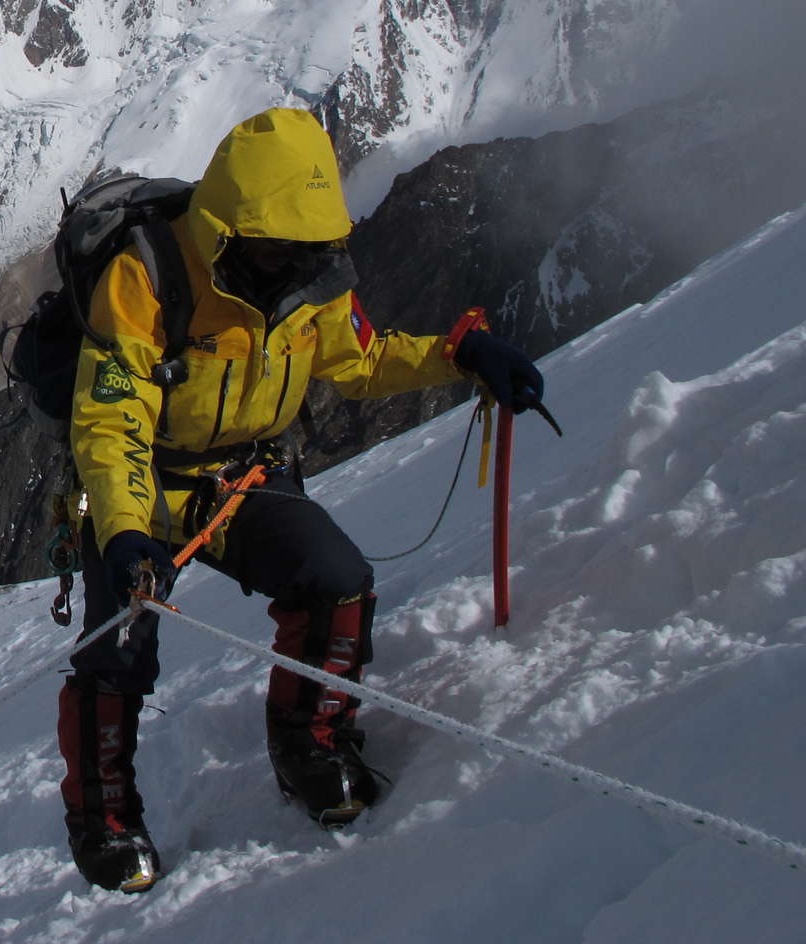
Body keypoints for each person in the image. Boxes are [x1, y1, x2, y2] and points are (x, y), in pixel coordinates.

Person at [58, 108, 544, 893]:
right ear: (227, 232)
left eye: (299, 251)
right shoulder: (146, 275)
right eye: (277, 249)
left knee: (338, 581)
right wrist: (120, 529)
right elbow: (111, 420)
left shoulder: (310, 283)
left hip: (245, 476)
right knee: (118, 643)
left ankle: (310, 746)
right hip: (146, 479)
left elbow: (358, 360)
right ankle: (103, 820)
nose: (290, 266)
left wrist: (458, 354)